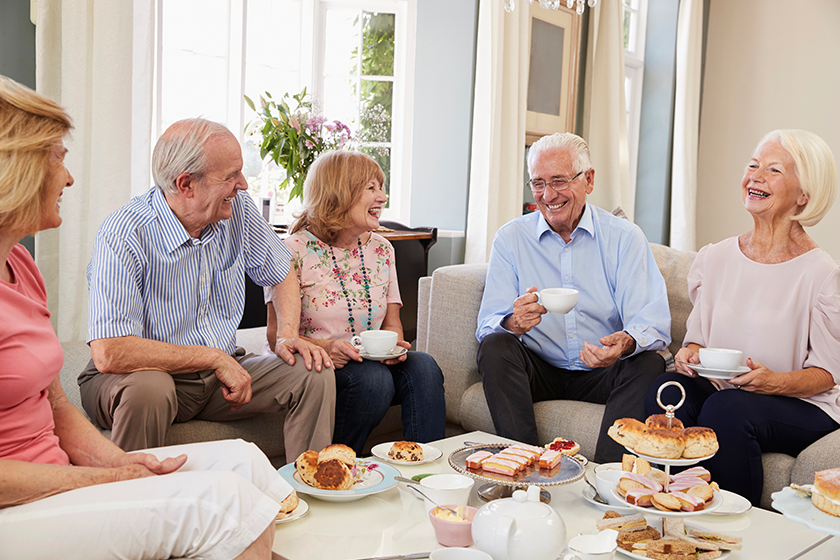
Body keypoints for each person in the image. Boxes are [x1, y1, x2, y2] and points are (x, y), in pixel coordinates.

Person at [0, 75, 293, 560]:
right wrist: (108, 478)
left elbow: (54, 408)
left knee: (243, 462)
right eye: (57, 157)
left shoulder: (21, 266)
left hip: (55, 472)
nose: (69, 178)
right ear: (13, 169)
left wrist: (125, 463)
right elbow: (112, 351)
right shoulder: (127, 230)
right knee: (226, 505)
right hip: (17, 507)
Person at [79, 117, 336, 461]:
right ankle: (131, 501)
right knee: (150, 388)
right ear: (186, 185)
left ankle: (309, 493)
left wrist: (288, 335)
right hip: (137, 379)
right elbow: (110, 353)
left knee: (312, 370)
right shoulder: (124, 232)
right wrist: (213, 357)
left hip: (217, 377)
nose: (243, 185)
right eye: (231, 176)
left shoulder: (237, 210)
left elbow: (281, 269)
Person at [645, 129, 840, 506]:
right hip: (728, 390)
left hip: (805, 405)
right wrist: (689, 356)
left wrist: (773, 381)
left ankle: (732, 528)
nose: (755, 177)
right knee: (667, 389)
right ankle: (667, 509)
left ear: (804, 194)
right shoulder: (716, 258)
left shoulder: (821, 275)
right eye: (753, 166)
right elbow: (697, 342)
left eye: (773, 170)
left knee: (727, 409)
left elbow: (826, 375)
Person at [476, 132, 671, 463]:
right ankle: (523, 468)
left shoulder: (624, 238)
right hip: (539, 369)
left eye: (559, 181)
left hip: (602, 372)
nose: (548, 195)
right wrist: (513, 322)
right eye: (538, 183)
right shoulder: (511, 239)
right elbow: (487, 325)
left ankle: (608, 480)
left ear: (589, 180)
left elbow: (652, 323)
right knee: (495, 346)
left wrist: (623, 343)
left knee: (648, 362)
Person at [265, 150, 446, 455]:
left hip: (369, 359)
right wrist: (327, 349)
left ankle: (425, 470)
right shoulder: (292, 250)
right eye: (371, 188)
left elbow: (392, 324)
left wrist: (394, 348)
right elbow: (276, 336)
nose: (382, 197)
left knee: (424, 366)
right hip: (322, 363)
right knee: (373, 380)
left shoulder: (382, 249)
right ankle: (337, 468)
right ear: (339, 192)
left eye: (382, 187)